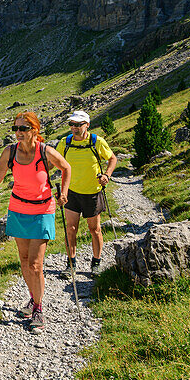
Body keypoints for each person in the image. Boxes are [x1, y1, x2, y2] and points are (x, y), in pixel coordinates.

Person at [0, 111, 71, 329]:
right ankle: (32, 298)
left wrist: (63, 192)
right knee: (24, 260)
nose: (18, 133)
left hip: (43, 210)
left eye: (22, 129)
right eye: (15, 129)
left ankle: (38, 309)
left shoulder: (45, 152)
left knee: (36, 264)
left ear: (34, 131)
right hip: (18, 209)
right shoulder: (10, 152)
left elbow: (66, 167)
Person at [58, 110, 118, 278]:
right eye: (72, 124)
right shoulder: (65, 142)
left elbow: (112, 158)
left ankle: (96, 263)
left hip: (92, 192)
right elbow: (54, 161)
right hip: (71, 192)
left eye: (78, 125)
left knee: (95, 229)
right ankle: (71, 264)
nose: (74, 128)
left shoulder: (96, 142)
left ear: (87, 125)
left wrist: (107, 175)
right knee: (71, 229)